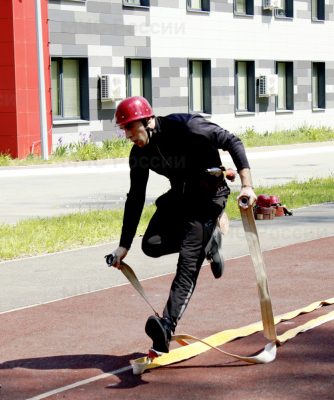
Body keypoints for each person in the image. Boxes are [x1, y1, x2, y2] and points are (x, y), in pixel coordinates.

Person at [107, 96, 257, 357]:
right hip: (181, 196)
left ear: (148, 120)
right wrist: (123, 246)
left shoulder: (188, 127)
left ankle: (166, 328)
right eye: (124, 130)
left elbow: (232, 141)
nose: (128, 135)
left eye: (131, 127)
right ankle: (207, 242)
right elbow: (135, 198)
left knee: (188, 261)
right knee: (151, 244)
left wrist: (247, 185)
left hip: (210, 196)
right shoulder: (140, 153)